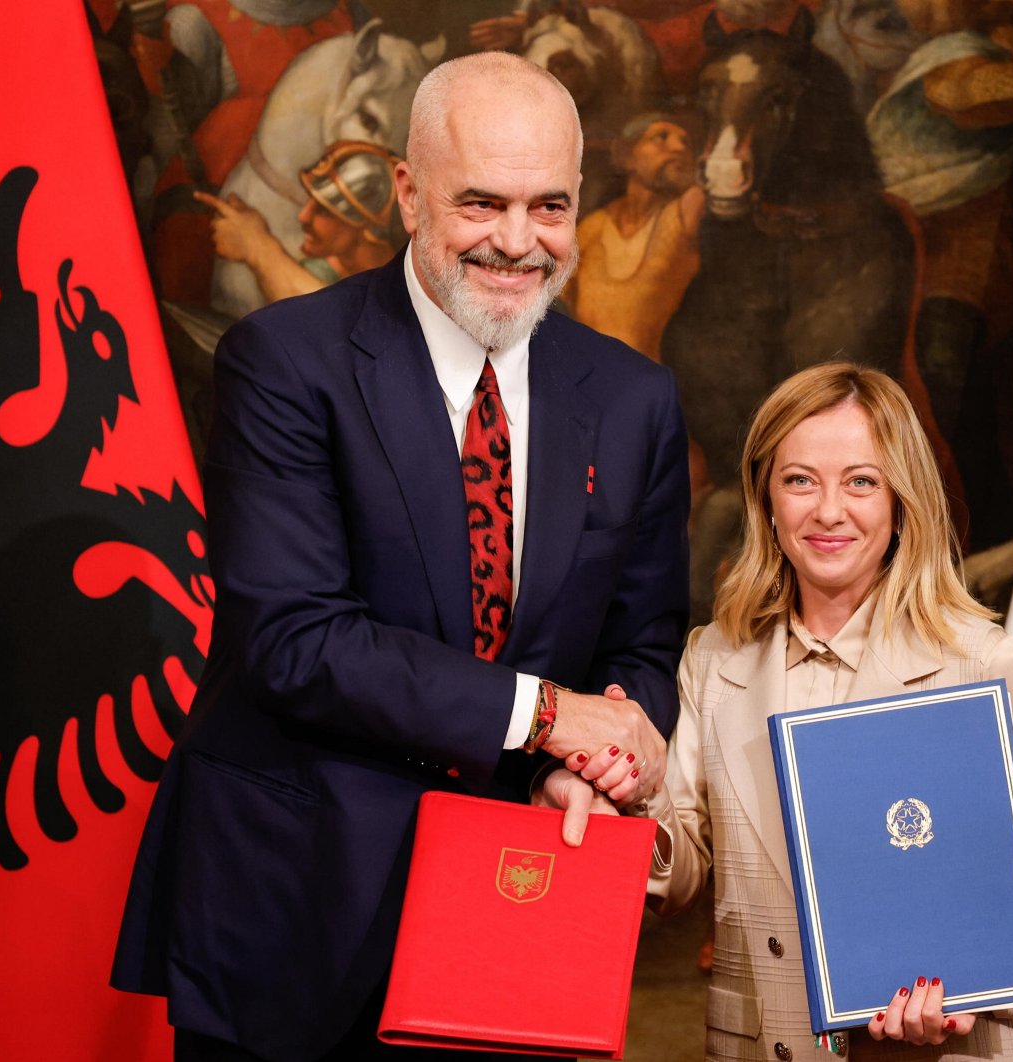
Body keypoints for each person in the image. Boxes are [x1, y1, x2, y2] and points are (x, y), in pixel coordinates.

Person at [111, 50, 691, 1062]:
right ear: (411, 195)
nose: (518, 243)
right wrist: (550, 716)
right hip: (295, 912)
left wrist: (602, 764)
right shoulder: (284, 363)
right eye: (482, 203)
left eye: (548, 207)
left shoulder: (633, 400)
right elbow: (294, 638)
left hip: (517, 919)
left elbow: (641, 642)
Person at [542, 363, 1013, 1060]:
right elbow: (677, 865)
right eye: (799, 480)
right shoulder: (714, 659)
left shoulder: (987, 669)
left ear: (902, 501)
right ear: (766, 500)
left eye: (861, 481)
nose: (828, 511)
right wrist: (622, 796)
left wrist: (965, 988)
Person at [563, 112, 703, 362]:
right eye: (661, 137)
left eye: (686, 143)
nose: (679, 147)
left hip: (645, 387)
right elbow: (561, 302)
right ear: (626, 156)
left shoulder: (684, 212)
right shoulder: (593, 227)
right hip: (584, 380)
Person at [193, 140, 402, 304]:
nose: (303, 216)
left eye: (323, 210)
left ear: (363, 224)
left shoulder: (403, 284)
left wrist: (256, 246)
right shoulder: (318, 270)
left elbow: (334, 325)